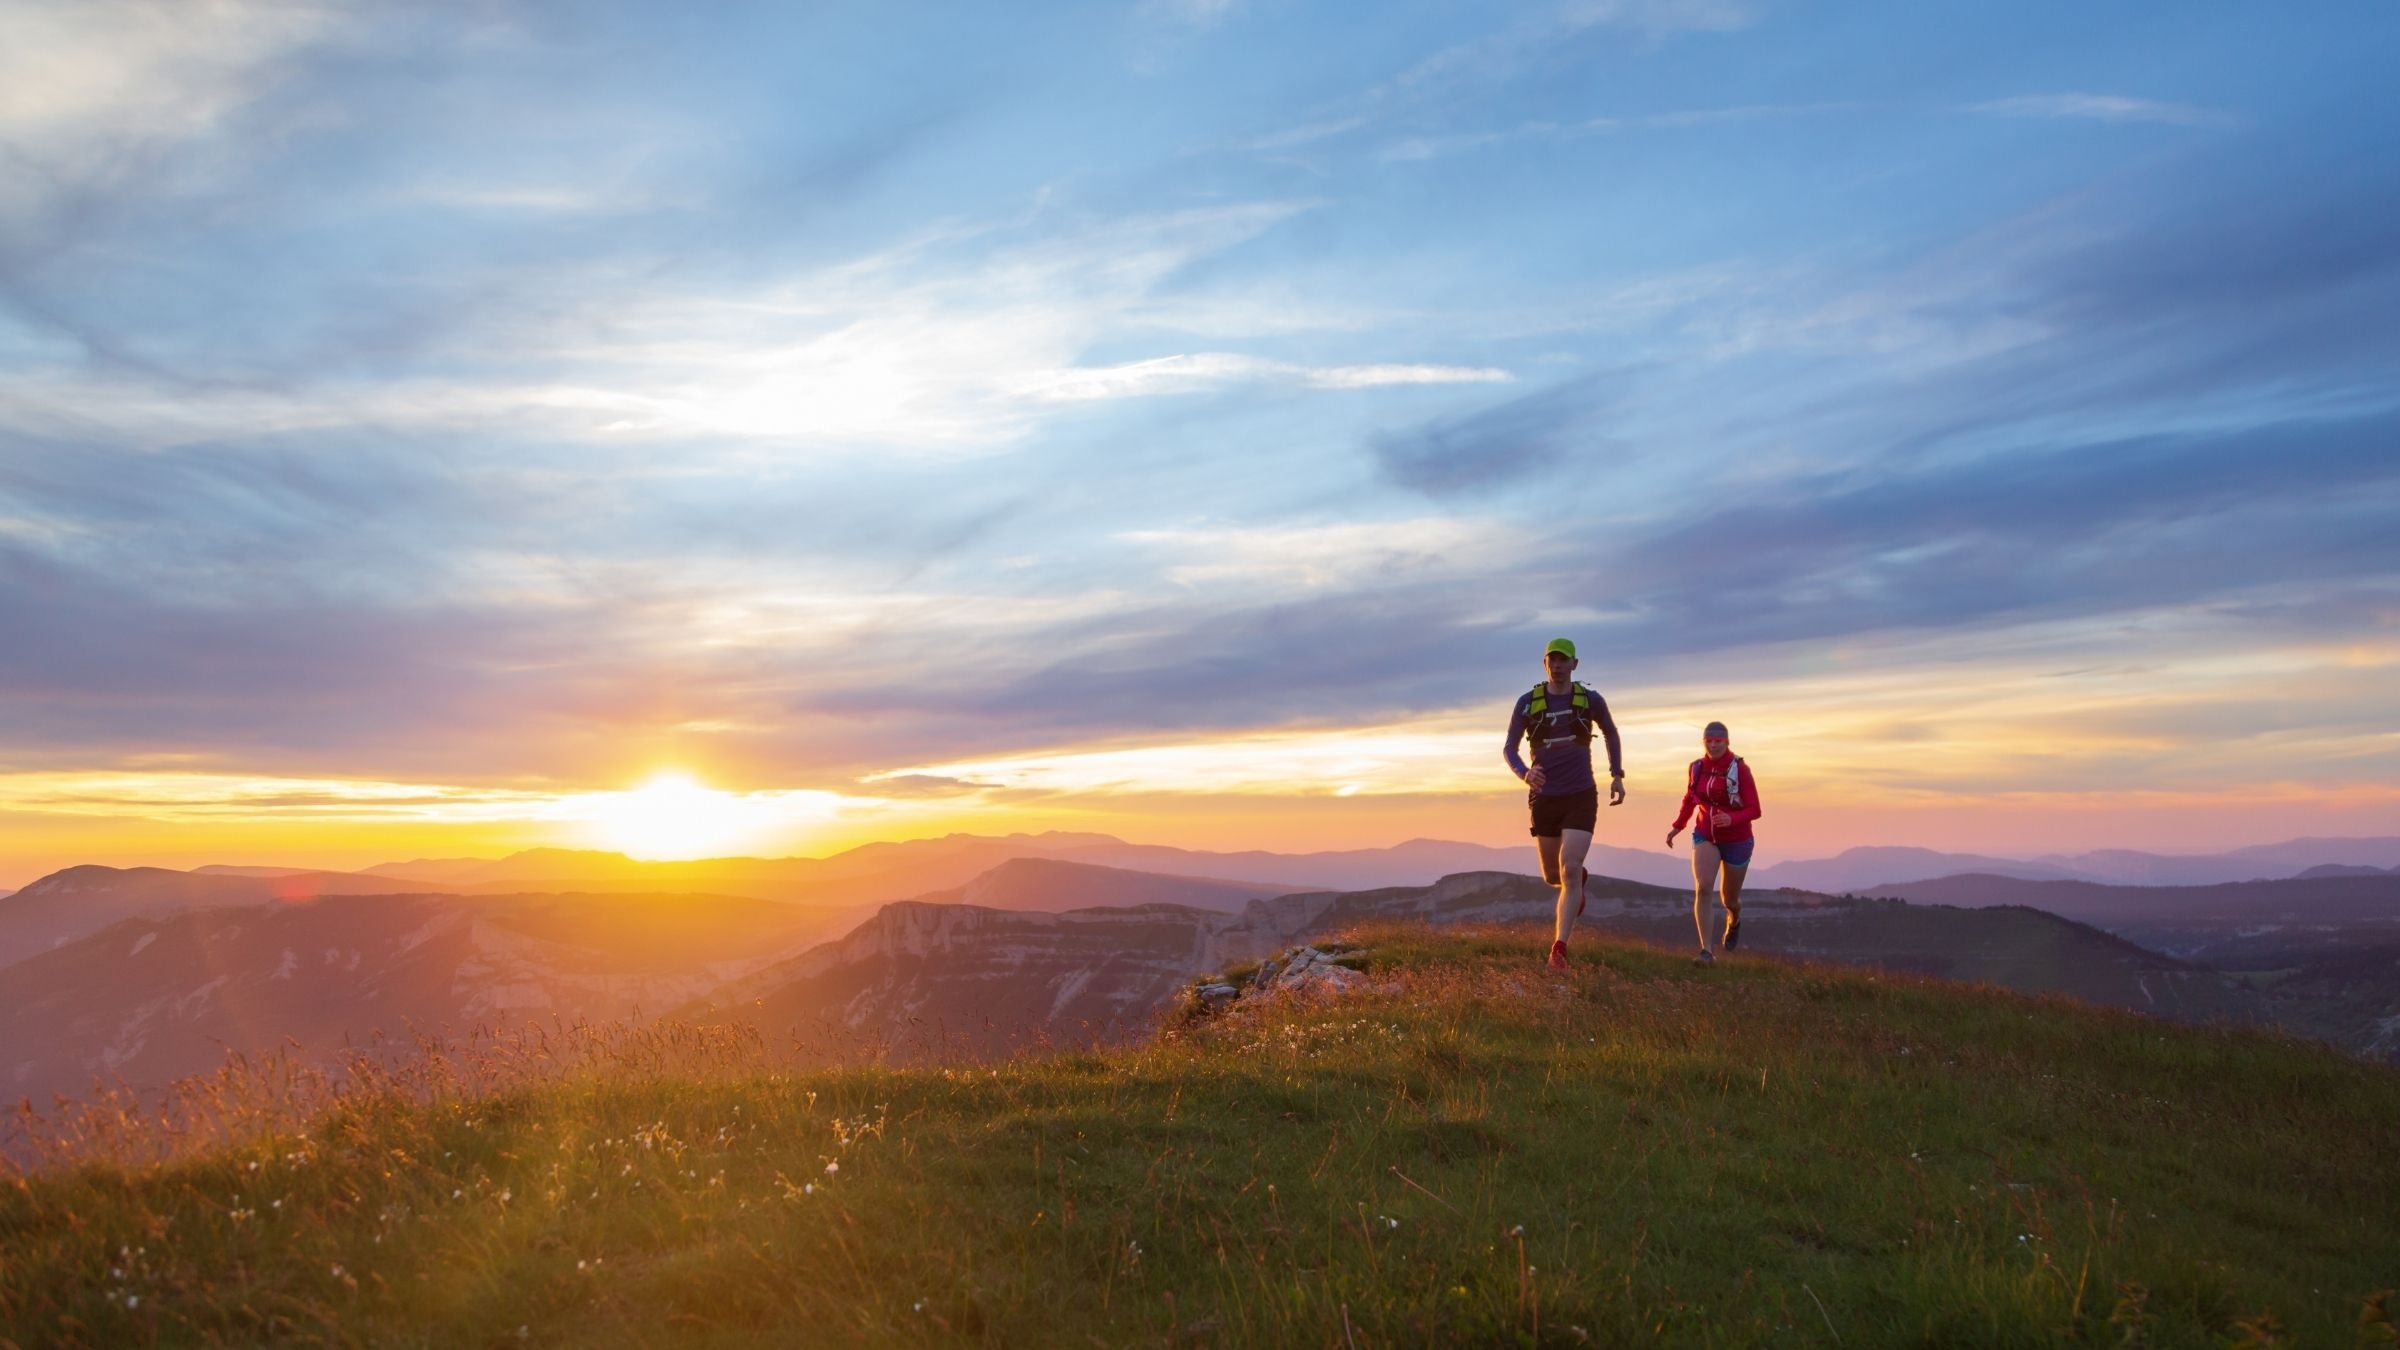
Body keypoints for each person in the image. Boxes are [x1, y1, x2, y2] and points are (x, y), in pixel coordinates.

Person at [1503, 637, 1624, 970]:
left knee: (1568, 868)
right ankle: (1577, 881)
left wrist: (1617, 774)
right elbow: (1509, 749)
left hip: (1581, 794)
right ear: (1545, 664)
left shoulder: (1591, 700)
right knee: (1553, 876)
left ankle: (1559, 948)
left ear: (1575, 665)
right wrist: (1525, 774)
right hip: (1544, 797)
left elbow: (1611, 733)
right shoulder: (1527, 703)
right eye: (1551, 660)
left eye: (1563, 660)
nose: (1557, 666)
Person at [1666, 721, 1760, 965]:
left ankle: (1734, 919)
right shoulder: (1696, 768)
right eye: (1709, 740)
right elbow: (1690, 799)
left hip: (1737, 840)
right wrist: (1678, 826)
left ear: (1727, 742)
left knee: (1729, 898)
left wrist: (1731, 818)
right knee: (1704, 887)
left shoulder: (1740, 769)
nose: (1714, 744)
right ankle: (1706, 951)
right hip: (1705, 834)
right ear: (1704, 742)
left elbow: (1755, 809)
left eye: (1719, 741)